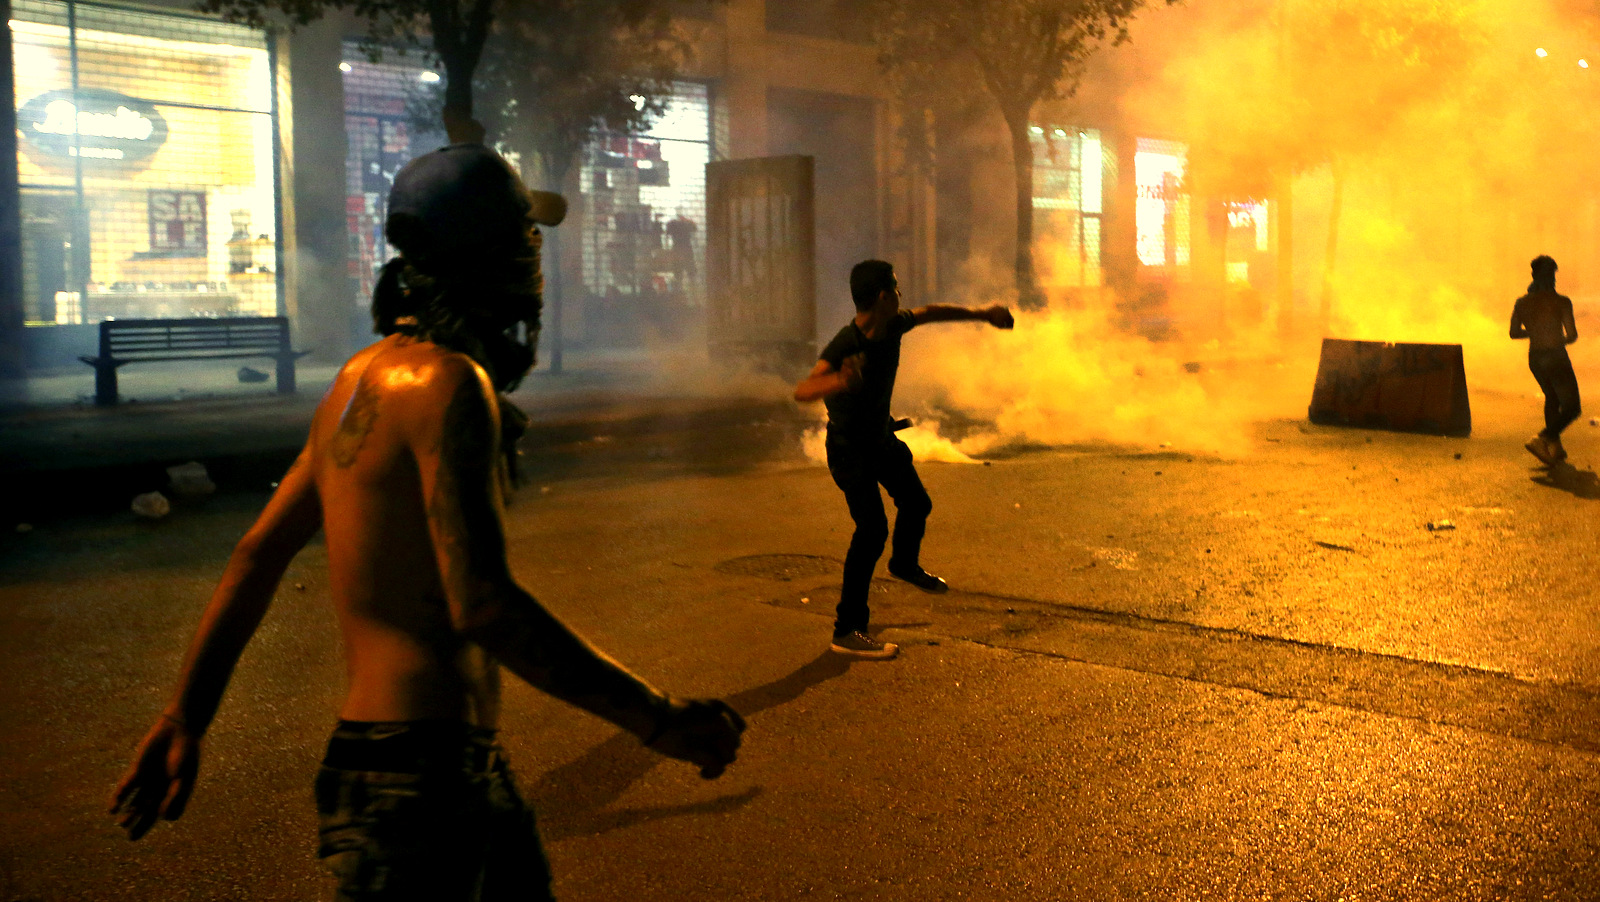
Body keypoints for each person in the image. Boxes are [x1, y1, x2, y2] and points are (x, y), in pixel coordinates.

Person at [109, 143, 745, 901]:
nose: (534, 261)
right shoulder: (450, 386)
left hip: (427, 768)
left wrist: (188, 714)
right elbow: (481, 603)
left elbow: (256, 555)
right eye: (522, 238)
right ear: (488, 255)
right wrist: (657, 719)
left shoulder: (357, 380)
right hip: (421, 782)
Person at [793, 260, 1014, 660]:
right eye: (896, 288)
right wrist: (842, 380)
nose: (901, 295)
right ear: (882, 296)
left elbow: (933, 313)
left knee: (916, 503)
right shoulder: (847, 343)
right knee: (872, 530)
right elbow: (805, 389)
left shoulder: (894, 325)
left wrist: (983, 314)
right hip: (849, 451)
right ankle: (847, 630)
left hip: (879, 440)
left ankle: (904, 564)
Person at [1511, 254, 1580, 465]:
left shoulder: (1522, 302)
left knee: (1552, 398)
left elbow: (1514, 333)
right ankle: (1544, 437)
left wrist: (1534, 333)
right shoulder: (1561, 302)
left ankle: (1554, 448)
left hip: (1536, 358)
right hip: (1556, 356)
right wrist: (1556, 337)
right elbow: (1572, 335)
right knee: (1572, 407)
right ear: (1552, 276)